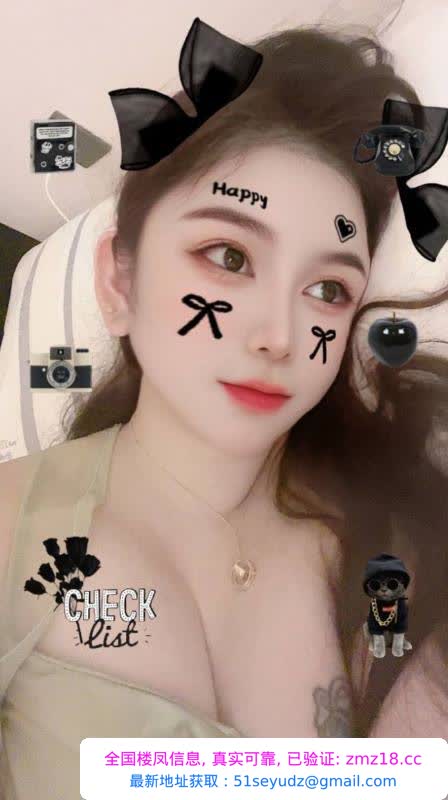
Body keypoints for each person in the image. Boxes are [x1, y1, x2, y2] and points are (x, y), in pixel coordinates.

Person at [1, 18, 448, 800]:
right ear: (118, 281)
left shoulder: (397, 546)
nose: (279, 335)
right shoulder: (10, 532)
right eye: (229, 256)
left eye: (327, 289)